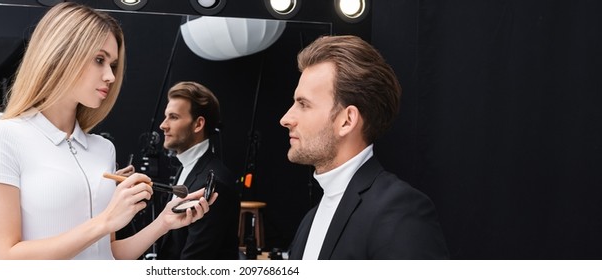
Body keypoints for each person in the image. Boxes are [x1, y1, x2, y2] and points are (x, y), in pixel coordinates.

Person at [0, 3, 214, 260]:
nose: (110, 76)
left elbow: (106, 254)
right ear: (60, 54)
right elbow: (5, 257)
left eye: (113, 64)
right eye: (100, 60)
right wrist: (106, 221)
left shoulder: (102, 149)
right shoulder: (3, 136)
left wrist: (163, 223)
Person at [280, 35, 449, 259]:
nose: (286, 118)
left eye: (303, 104)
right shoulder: (311, 220)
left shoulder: (398, 211)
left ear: (347, 121)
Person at [155, 81, 240, 260]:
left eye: (173, 117)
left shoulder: (216, 182)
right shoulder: (186, 168)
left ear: (198, 124)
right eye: (165, 116)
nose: (163, 125)